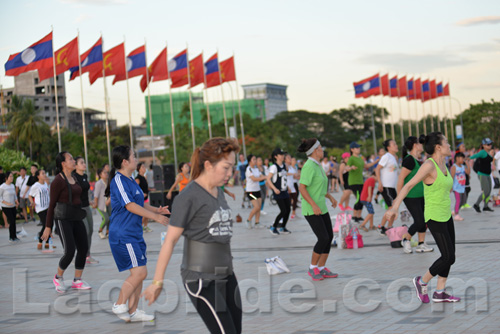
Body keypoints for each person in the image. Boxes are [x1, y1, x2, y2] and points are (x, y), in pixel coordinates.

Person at [143, 137, 242, 333]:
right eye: (226, 167)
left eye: (232, 167)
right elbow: (170, 241)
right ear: (208, 165)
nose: (230, 174)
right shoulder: (188, 196)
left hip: (227, 275)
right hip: (200, 279)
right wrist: (157, 282)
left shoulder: (218, 191)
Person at [385, 132, 461, 304]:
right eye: (447, 142)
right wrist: (395, 206)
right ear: (438, 147)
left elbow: (445, 188)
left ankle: (440, 292)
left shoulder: (444, 165)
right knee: (449, 257)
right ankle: (422, 281)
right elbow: (409, 185)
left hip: (446, 214)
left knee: (449, 255)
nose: (450, 146)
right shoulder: (429, 165)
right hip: (434, 216)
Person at [107, 146, 169, 322]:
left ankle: (133, 312)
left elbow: (140, 203)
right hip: (122, 234)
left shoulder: (132, 180)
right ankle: (119, 304)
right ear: (125, 162)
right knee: (140, 272)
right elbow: (130, 206)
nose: (137, 159)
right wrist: (155, 217)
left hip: (134, 234)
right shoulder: (118, 180)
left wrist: (158, 210)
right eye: (134, 156)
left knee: (139, 272)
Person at [41, 151, 91, 293]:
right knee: (69, 251)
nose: (74, 161)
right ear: (63, 164)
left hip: (76, 216)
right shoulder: (58, 181)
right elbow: (51, 205)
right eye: (71, 159)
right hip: (63, 219)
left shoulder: (74, 177)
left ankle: (77, 280)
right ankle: (58, 277)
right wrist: (48, 226)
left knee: (83, 248)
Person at [297, 138, 338, 281]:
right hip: (311, 208)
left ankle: (321, 268)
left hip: (321, 207)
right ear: (315, 151)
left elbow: (318, 186)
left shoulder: (318, 165)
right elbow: (302, 188)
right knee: (323, 238)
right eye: (320, 148)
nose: (322, 150)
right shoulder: (309, 166)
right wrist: (313, 205)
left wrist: (330, 197)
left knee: (329, 237)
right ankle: (312, 267)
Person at [397, 136, 434, 254]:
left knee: (424, 220)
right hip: (411, 196)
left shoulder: (417, 159)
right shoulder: (409, 160)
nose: (422, 145)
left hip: (421, 195)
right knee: (419, 221)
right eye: (420, 143)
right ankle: (406, 238)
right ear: (414, 145)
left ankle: (421, 244)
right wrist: (399, 198)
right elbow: (401, 179)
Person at [73, 157, 98, 264]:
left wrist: (91, 201)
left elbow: (86, 192)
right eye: (81, 163)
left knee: (91, 230)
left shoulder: (85, 176)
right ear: (76, 166)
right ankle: (81, 255)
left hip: (87, 206)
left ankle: (87, 255)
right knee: (85, 231)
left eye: (84, 162)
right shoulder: (74, 177)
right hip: (79, 208)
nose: (84, 164)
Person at [347, 141, 377, 222]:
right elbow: (346, 168)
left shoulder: (360, 158)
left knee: (362, 198)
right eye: (357, 148)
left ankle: (359, 216)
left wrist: (376, 162)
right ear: (352, 149)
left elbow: (366, 166)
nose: (358, 149)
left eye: (359, 147)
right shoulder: (351, 158)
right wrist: (351, 167)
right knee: (359, 199)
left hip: (361, 181)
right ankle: (354, 216)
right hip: (353, 182)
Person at [376, 139, 400, 235]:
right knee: (391, 207)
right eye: (394, 144)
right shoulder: (386, 157)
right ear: (388, 147)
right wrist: (380, 183)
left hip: (392, 187)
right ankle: (381, 226)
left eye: (396, 144)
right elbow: (377, 169)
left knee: (394, 207)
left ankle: (389, 227)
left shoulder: (393, 157)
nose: (396, 146)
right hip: (386, 186)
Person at [266, 148, 291, 235]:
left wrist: (287, 187)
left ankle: (283, 227)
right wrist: (274, 188)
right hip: (278, 192)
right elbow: (268, 179)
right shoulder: (274, 167)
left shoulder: (284, 166)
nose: (283, 156)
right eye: (281, 154)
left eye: (283, 154)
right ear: (276, 156)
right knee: (283, 210)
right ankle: (273, 227)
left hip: (285, 192)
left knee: (288, 209)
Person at [29, 169, 52, 250]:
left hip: (47, 207)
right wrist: (32, 202)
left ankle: (47, 242)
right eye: (42, 173)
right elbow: (30, 195)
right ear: (38, 176)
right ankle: (40, 240)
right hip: (40, 208)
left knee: (49, 224)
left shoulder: (45, 184)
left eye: (44, 173)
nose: (44, 175)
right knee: (46, 225)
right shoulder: (35, 185)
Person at [470, 138, 495, 213]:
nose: (490, 145)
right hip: (482, 174)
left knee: (489, 190)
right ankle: (476, 204)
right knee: (486, 191)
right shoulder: (482, 152)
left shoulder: (489, 152)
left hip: (488, 174)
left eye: (491, 144)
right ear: (483, 145)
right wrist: (467, 158)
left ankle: (486, 206)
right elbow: (474, 156)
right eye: (488, 144)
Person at [245, 154, 266, 229]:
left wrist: (265, 177)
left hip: (257, 190)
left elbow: (261, 176)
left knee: (259, 207)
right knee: (256, 207)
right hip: (251, 192)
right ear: (250, 161)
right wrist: (264, 177)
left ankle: (257, 222)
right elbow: (254, 179)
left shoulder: (256, 169)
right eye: (254, 159)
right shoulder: (249, 169)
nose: (255, 161)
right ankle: (248, 220)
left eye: (255, 159)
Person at [0, 172, 20, 243]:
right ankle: (11, 237)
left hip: (13, 206)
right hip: (6, 207)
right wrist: (6, 202)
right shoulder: (2, 187)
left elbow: (14, 195)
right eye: (10, 176)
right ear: (6, 178)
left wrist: (16, 201)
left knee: (13, 221)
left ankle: (14, 236)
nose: (12, 178)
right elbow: (0, 197)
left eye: (12, 176)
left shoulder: (12, 185)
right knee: (11, 220)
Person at [451, 152, 469, 221]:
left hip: (462, 187)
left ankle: (455, 211)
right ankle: (456, 215)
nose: (463, 160)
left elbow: (468, 172)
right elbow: (452, 177)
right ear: (457, 158)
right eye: (462, 158)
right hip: (456, 188)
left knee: (463, 201)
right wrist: (451, 187)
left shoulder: (463, 167)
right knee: (458, 200)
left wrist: (467, 164)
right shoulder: (454, 167)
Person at [93, 168, 110, 239]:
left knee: (110, 218)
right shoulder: (98, 183)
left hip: (108, 204)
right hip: (101, 205)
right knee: (106, 219)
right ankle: (100, 231)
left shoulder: (108, 182)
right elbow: (96, 195)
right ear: (100, 175)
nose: (106, 174)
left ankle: (108, 233)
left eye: (107, 172)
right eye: (104, 173)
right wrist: (95, 203)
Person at [136, 163, 152, 233]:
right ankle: (139, 227)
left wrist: (150, 189)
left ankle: (145, 226)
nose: (144, 168)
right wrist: (141, 194)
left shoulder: (144, 177)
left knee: (148, 213)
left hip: (146, 198)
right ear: (139, 169)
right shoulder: (137, 178)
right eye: (142, 167)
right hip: (141, 199)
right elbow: (135, 189)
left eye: (144, 167)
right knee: (144, 214)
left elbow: (145, 187)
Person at [286, 154, 299, 219]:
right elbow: (285, 174)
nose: (290, 160)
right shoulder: (286, 167)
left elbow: (294, 177)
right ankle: (286, 214)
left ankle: (293, 212)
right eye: (289, 158)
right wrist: (287, 187)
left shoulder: (291, 167)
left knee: (295, 199)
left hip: (292, 185)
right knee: (288, 201)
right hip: (287, 185)